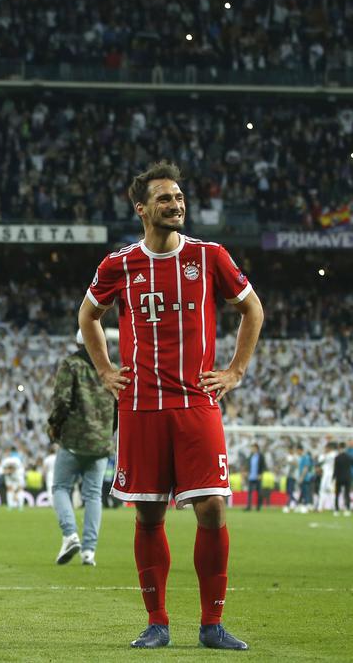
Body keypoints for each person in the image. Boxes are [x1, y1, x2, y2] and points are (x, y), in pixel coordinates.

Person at [78, 161, 263, 650]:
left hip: (196, 403)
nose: (176, 205)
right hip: (140, 407)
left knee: (212, 510)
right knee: (149, 516)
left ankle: (212, 624)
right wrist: (103, 370)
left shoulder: (209, 256)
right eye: (165, 199)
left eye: (179, 198)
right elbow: (88, 315)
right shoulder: (118, 264)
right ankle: (157, 622)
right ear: (142, 208)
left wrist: (235, 371)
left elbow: (252, 308)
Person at [47, 329, 117, 567]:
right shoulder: (112, 368)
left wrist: (54, 426)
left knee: (60, 486)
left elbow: (62, 401)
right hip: (101, 443)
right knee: (93, 495)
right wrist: (109, 433)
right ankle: (89, 551)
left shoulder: (72, 365)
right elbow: (119, 407)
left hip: (74, 441)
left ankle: (70, 535)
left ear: (78, 342)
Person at [243, 443, 267, 511]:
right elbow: (248, 465)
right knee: (249, 493)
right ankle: (248, 507)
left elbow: (263, 466)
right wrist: (247, 472)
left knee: (259, 493)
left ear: (256, 448)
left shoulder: (261, 456)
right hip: (251, 477)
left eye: (253, 448)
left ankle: (258, 507)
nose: (252, 449)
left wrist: (261, 474)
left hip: (258, 477)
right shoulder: (251, 456)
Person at [335, 443, 352, 516]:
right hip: (347, 477)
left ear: (339, 447)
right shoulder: (349, 457)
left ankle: (336, 509)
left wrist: (333, 478)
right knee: (347, 493)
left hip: (339, 478)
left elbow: (335, 469)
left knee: (337, 494)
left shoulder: (337, 457)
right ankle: (347, 509)